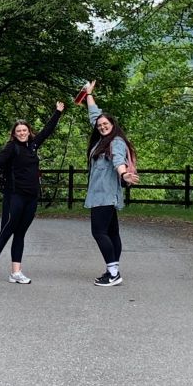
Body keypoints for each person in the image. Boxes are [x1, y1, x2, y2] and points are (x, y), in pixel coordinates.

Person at [0, 101, 65, 285]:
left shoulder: (33, 146)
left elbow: (47, 130)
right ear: (14, 134)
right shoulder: (11, 147)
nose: (22, 133)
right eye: (18, 131)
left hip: (31, 197)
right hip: (14, 196)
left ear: (29, 132)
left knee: (20, 233)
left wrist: (57, 112)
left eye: (24, 130)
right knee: (6, 231)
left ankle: (16, 272)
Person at [83, 80, 138, 286]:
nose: (102, 126)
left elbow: (118, 161)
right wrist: (89, 94)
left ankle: (113, 273)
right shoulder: (100, 139)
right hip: (102, 193)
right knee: (112, 232)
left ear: (113, 125)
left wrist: (124, 175)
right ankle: (113, 269)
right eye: (100, 125)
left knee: (99, 232)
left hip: (104, 194)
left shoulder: (115, 142)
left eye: (106, 124)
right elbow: (94, 115)